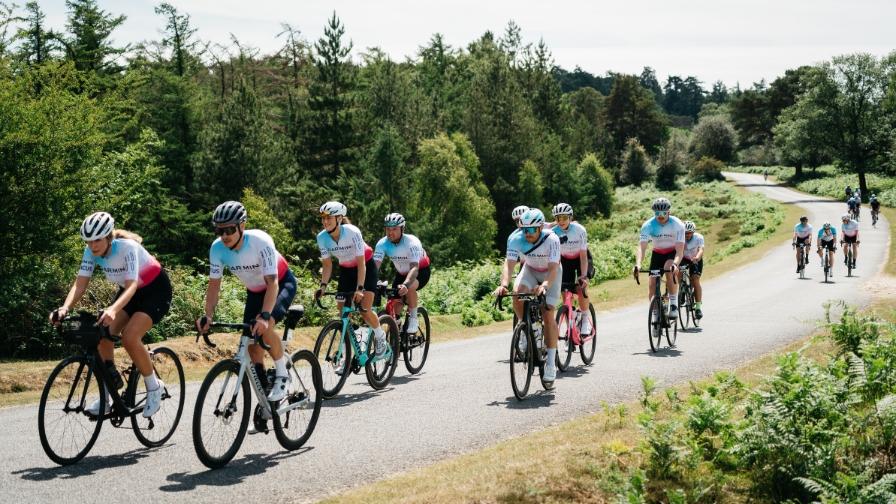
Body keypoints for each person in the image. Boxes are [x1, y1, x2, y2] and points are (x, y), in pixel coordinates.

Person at [52, 212, 172, 417]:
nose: (93, 246)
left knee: (130, 337)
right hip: (129, 293)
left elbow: (133, 284)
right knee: (102, 334)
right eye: (88, 241)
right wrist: (65, 308)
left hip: (155, 291)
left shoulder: (128, 248)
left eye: (97, 240)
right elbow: (80, 284)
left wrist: (113, 309)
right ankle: (108, 395)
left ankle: (154, 387)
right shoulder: (90, 252)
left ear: (109, 237)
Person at [196, 201, 297, 403]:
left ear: (242, 226)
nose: (224, 236)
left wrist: (266, 316)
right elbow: (214, 286)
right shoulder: (217, 249)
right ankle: (266, 399)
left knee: (265, 328)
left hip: (280, 285)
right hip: (254, 292)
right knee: (251, 346)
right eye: (219, 230)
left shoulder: (261, 241)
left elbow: (272, 282)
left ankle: (282, 374)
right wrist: (208, 315)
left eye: (229, 230)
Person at [494, 208, 562, 387]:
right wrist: (503, 285)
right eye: (524, 229)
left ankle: (550, 363)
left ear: (540, 227)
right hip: (530, 270)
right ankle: (526, 328)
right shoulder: (515, 239)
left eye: (531, 230)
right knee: (517, 294)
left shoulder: (551, 239)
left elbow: (554, 268)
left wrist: (545, 285)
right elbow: (508, 266)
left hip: (551, 273)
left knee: (548, 314)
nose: (527, 234)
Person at [313, 201, 387, 356]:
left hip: (365, 266)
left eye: (329, 218)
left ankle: (380, 336)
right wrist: (323, 286)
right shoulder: (322, 238)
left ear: (339, 218)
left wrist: (360, 289)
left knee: (364, 310)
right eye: (323, 218)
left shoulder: (353, 232)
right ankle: (348, 348)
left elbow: (361, 263)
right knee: (342, 310)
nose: (325, 222)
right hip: (346, 270)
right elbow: (327, 265)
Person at [373, 213, 431, 334]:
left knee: (409, 288)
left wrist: (406, 284)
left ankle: (413, 318)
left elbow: (414, 268)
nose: (390, 232)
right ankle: (396, 326)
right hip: (401, 273)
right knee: (395, 300)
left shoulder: (412, 242)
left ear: (402, 229)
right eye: (388, 229)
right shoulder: (382, 243)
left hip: (420, 271)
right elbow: (375, 266)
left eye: (394, 229)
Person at [633, 198, 686, 318]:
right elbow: (641, 248)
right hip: (657, 253)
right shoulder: (648, 225)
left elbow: (679, 251)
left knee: (669, 268)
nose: (660, 216)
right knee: (652, 283)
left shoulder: (678, 225)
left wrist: (675, 264)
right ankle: (656, 313)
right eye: (657, 213)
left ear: (669, 212)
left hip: (672, 253)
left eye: (663, 213)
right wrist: (638, 265)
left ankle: (673, 303)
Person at [548, 203, 592, 335]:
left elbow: (583, 256)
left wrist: (583, 276)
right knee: (564, 292)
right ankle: (570, 328)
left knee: (580, 287)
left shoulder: (580, 230)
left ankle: (585, 319)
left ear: (570, 217)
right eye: (558, 218)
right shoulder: (553, 232)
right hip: (565, 261)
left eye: (564, 218)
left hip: (581, 259)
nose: (561, 221)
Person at [680, 221, 705, 319]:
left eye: (690, 232)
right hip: (684, 259)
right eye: (685, 233)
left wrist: (697, 257)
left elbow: (701, 249)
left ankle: (698, 307)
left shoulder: (699, 237)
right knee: (678, 274)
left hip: (696, 259)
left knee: (695, 280)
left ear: (693, 232)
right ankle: (681, 292)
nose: (688, 235)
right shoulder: (679, 237)